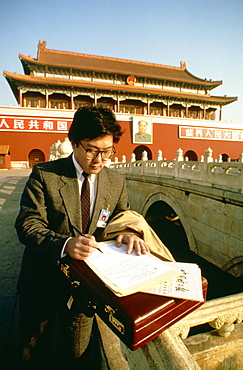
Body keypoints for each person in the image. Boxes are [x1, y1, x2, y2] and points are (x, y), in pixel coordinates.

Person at [15, 106, 149, 369]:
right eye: (91, 150)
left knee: (76, 354)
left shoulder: (115, 181)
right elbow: (28, 223)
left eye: (107, 151)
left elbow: (122, 216)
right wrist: (64, 244)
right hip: (42, 281)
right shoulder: (45, 175)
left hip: (86, 289)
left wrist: (128, 232)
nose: (99, 159)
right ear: (74, 142)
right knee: (33, 351)